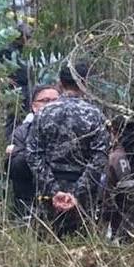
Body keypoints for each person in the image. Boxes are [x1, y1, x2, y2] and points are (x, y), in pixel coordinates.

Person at [26, 62, 110, 237]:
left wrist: (53, 190)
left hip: (48, 191)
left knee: (47, 242)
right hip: (84, 193)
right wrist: (76, 192)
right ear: (84, 83)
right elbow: (99, 158)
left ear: (60, 83)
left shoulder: (43, 113)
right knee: (82, 244)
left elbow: (33, 155)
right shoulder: (96, 115)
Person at [6, 83, 60, 216]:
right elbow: (14, 166)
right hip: (30, 203)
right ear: (34, 106)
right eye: (45, 101)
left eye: (56, 100)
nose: (51, 105)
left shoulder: (74, 129)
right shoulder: (21, 132)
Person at [0, 21, 33, 139]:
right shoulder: (7, 50)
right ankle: (10, 140)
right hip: (14, 89)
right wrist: (5, 79)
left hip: (27, 87)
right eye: (27, 37)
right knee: (13, 117)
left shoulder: (25, 51)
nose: (28, 40)